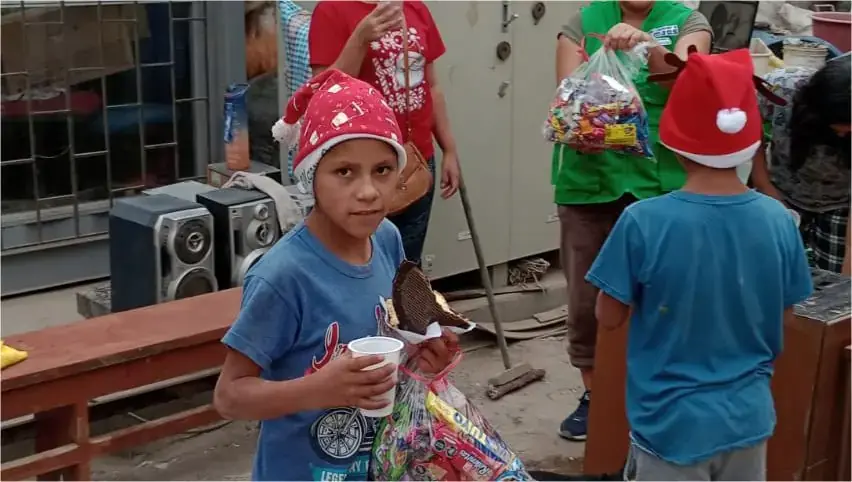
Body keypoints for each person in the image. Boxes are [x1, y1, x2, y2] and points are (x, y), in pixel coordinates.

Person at [214, 69, 457, 481]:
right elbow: (229, 396)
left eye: (382, 170)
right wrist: (319, 390)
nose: (367, 191)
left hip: (380, 464)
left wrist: (429, 347)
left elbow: (410, 314)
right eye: (345, 172)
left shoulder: (387, 239)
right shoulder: (284, 277)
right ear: (311, 176)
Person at [587, 49, 813, 480]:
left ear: (673, 141)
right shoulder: (779, 221)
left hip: (671, 424)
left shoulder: (642, 221)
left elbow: (608, 316)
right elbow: (785, 316)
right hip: (749, 419)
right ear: (749, 142)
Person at [553, 0, 713, 441]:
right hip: (589, 183)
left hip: (660, 183)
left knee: (663, 296)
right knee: (587, 300)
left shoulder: (687, 22)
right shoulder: (582, 22)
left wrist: (644, 44)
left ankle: (658, 391)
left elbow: (693, 77)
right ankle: (595, 395)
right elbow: (568, 93)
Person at [308, 0, 460, 264]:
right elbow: (324, 93)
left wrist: (449, 149)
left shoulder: (416, 9)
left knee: (407, 267)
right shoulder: (331, 10)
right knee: (357, 263)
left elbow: (431, 86)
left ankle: (403, 306)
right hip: (360, 169)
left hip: (416, 163)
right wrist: (361, 38)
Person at [751, 56, 851, 274]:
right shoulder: (781, 88)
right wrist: (765, 187)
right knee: (769, 269)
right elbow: (749, 128)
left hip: (842, 203)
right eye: (844, 124)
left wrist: (845, 289)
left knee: (834, 277)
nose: (846, 132)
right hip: (781, 191)